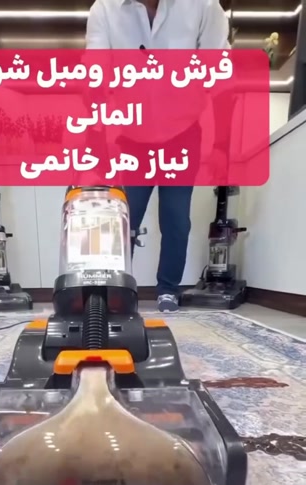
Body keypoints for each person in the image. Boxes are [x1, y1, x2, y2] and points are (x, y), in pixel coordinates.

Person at [86, 0, 230, 312]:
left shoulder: (203, 6)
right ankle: (115, 290)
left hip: (183, 135)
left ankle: (168, 290)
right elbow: (94, 77)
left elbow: (220, 76)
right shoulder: (105, 9)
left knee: (176, 218)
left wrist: (222, 145)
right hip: (132, 136)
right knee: (125, 219)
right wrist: (94, 143)